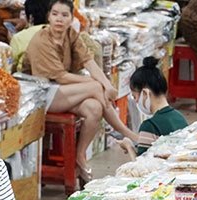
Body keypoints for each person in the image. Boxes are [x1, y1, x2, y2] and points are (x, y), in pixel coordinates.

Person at [22, 0, 138, 181]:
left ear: (71, 18)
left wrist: (107, 85)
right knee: (95, 86)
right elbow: (60, 76)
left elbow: (88, 62)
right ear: (48, 17)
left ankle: (80, 155)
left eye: (64, 15)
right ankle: (126, 133)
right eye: (55, 14)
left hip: (63, 91)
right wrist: (95, 83)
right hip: (39, 95)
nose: (59, 19)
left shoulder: (71, 35)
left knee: (94, 107)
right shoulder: (41, 40)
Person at [117, 57, 189, 160]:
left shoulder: (150, 126)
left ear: (145, 93)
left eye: (135, 96)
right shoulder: (180, 117)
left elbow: (141, 168)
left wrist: (129, 146)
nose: (136, 101)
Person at [11, 0, 51, 72]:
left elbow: (11, 67)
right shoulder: (63, 34)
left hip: (25, 81)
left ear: (30, 17)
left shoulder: (19, 38)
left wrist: (10, 41)